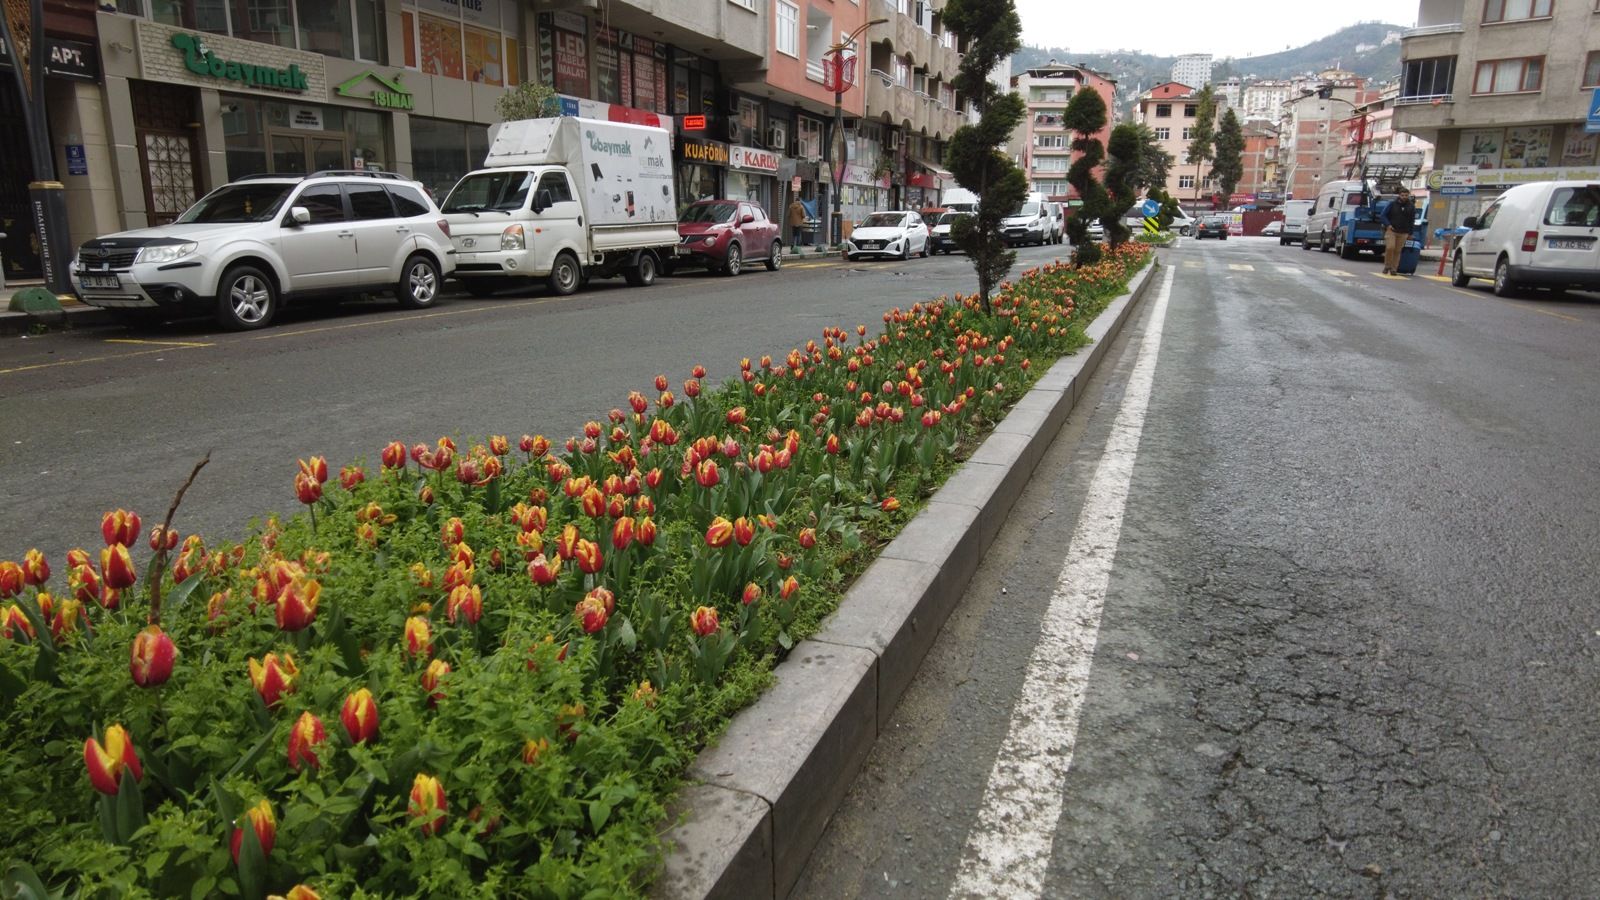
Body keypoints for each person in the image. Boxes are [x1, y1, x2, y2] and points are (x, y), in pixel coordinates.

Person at [1382, 187, 1417, 276]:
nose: (1404, 197)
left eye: (1406, 195)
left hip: (1404, 232)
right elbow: (1383, 215)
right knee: (1390, 247)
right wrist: (1388, 225)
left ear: (1408, 195)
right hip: (1392, 230)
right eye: (1402, 195)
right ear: (1399, 195)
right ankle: (1387, 266)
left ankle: (1394, 269)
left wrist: (1410, 233)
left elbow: (1412, 220)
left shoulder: (1411, 206)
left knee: (1398, 251)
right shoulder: (1392, 204)